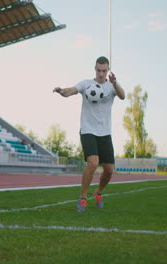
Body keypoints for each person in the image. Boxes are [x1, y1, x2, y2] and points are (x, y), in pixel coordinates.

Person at [53, 56, 125, 212]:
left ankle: (98, 192)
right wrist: (62, 92)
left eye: (104, 71)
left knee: (109, 169)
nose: (101, 73)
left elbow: (122, 95)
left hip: (105, 132)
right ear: (95, 69)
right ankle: (83, 197)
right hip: (88, 130)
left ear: (108, 70)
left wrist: (114, 83)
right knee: (92, 163)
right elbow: (71, 91)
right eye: (99, 70)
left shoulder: (112, 86)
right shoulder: (86, 84)